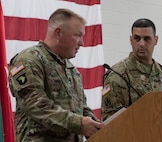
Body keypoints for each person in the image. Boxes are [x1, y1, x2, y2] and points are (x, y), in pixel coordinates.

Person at [8, 8, 103, 142]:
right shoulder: (29, 60)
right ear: (58, 32)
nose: (82, 43)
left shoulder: (72, 70)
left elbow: (81, 108)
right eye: (78, 35)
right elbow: (35, 104)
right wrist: (79, 124)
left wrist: (96, 126)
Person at [101, 18, 162, 121]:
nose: (141, 44)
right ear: (131, 40)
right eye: (137, 38)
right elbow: (111, 122)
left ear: (156, 40)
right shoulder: (118, 74)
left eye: (147, 39)